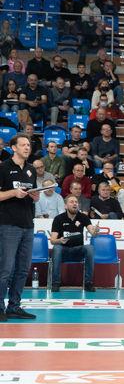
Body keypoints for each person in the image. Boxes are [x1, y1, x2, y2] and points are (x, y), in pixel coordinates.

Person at [0, 135, 39, 321]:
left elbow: (33, 194)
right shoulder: (3, 167)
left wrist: (35, 196)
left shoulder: (31, 169)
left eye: (28, 145)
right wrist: (13, 193)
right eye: (23, 145)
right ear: (13, 148)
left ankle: (14, 306)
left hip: (28, 224)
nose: (27, 148)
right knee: (5, 270)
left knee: (23, 269)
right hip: (8, 224)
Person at [49, 194, 98, 291]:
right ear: (65, 206)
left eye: (76, 202)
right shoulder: (58, 218)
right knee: (57, 248)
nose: (75, 204)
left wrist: (96, 231)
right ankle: (56, 283)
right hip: (64, 251)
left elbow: (93, 233)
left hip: (78, 251)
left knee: (90, 248)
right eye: (71, 202)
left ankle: (88, 283)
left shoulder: (83, 217)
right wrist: (59, 240)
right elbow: (52, 240)